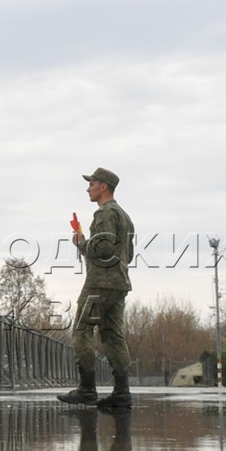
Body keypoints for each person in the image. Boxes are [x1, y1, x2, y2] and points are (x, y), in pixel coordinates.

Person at [58, 167, 135, 410]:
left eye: (91, 183)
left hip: (99, 283)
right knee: (113, 336)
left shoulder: (104, 214)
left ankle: (87, 389)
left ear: (103, 186)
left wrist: (82, 242)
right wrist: (86, 246)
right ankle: (121, 393)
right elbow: (128, 254)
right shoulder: (124, 216)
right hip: (119, 284)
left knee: (82, 331)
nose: (88, 188)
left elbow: (103, 249)